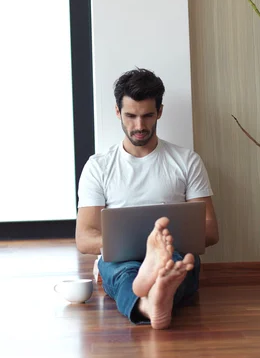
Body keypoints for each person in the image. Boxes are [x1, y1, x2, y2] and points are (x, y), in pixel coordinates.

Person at [75, 68, 219, 330]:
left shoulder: (187, 161)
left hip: (172, 253)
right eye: (130, 116)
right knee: (123, 271)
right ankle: (152, 300)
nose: (139, 126)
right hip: (121, 259)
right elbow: (84, 238)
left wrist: (163, 247)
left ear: (160, 112)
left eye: (147, 116)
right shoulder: (99, 167)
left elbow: (210, 231)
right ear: (117, 112)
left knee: (176, 265)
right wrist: (146, 245)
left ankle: (149, 300)